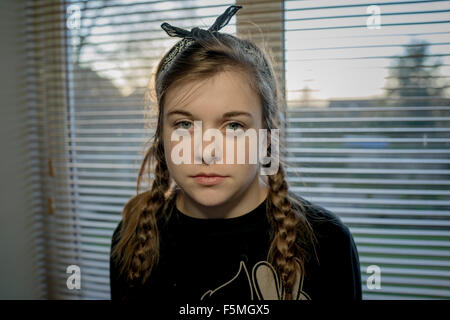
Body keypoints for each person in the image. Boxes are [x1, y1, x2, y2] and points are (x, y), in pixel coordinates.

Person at [110, 5, 362, 301]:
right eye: (184, 124)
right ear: (161, 138)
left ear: (267, 137)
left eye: (233, 126)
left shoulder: (327, 243)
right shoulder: (134, 236)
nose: (206, 151)